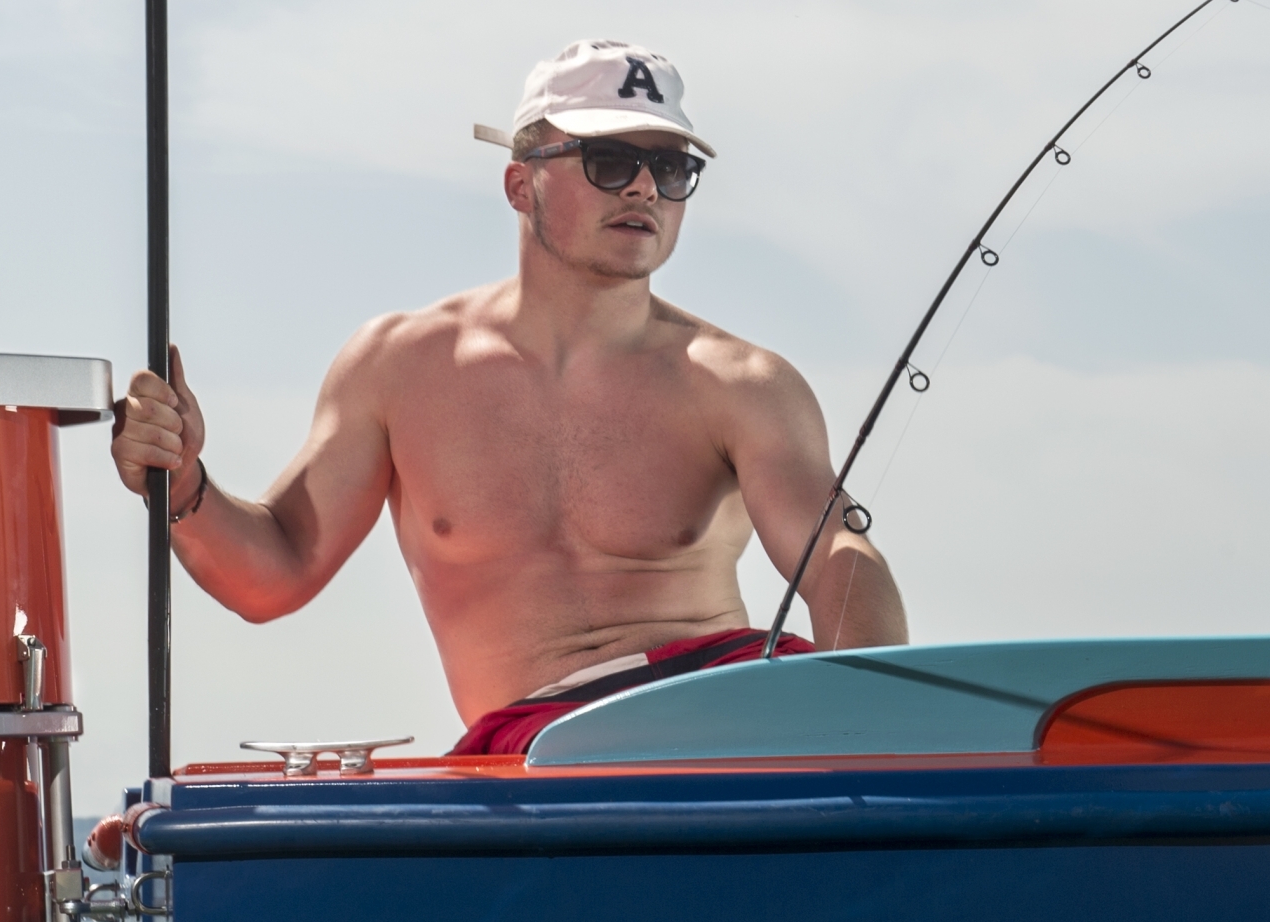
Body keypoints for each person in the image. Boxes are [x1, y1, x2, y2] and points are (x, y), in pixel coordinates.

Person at [110, 39, 907, 758]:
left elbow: (839, 558)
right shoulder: (399, 367)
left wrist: (868, 739)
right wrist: (183, 484)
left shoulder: (742, 383)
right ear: (519, 185)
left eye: (670, 169)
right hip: (535, 760)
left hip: (715, 728)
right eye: (608, 159)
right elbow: (274, 574)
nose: (643, 189)